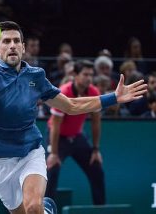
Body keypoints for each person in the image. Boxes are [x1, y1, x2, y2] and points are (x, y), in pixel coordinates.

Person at [0, 21, 147, 214]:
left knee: (33, 208)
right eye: (6, 41)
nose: (12, 45)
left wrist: (113, 98)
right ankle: (48, 210)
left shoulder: (36, 77)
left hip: (30, 153)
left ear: (23, 48)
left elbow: (71, 106)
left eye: (16, 41)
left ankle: (41, 208)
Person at [45, 60, 105, 205]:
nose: (89, 78)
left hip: (77, 137)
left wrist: (96, 149)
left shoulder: (94, 92)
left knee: (96, 168)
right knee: (52, 170)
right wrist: (53, 153)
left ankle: (101, 209)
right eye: (85, 74)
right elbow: (55, 125)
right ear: (75, 75)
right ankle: (46, 209)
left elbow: (96, 122)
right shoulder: (64, 92)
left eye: (91, 75)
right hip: (58, 138)